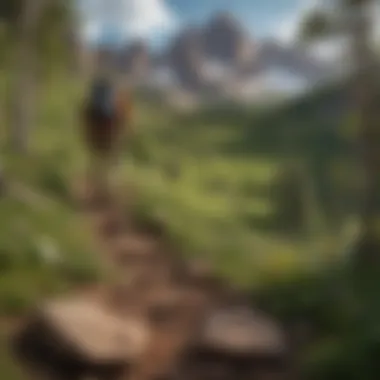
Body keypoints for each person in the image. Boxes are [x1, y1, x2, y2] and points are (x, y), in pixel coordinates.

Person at [81, 70, 134, 202]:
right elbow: (124, 126)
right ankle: (107, 192)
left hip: (96, 137)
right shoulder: (121, 105)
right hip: (112, 138)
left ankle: (96, 190)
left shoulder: (91, 106)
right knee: (111, 163)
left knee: (96, 161)